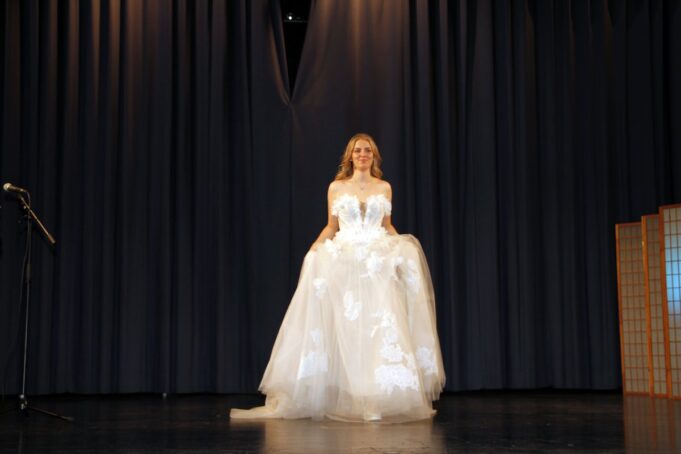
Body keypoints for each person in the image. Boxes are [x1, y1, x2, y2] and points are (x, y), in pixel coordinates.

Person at [230, 133, 445, 422]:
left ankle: (374, 399)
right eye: (358, 151)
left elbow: (387, 225)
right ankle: (351, 395)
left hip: (376, 263)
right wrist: (314, 248)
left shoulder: (384, 187)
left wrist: (402, 248)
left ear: (374, 156)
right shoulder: (336, 187)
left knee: (378, 328)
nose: (362, 154)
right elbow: (332, 226)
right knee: (349, 328)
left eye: (367, 150)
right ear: (350, 156)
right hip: (346, 260)